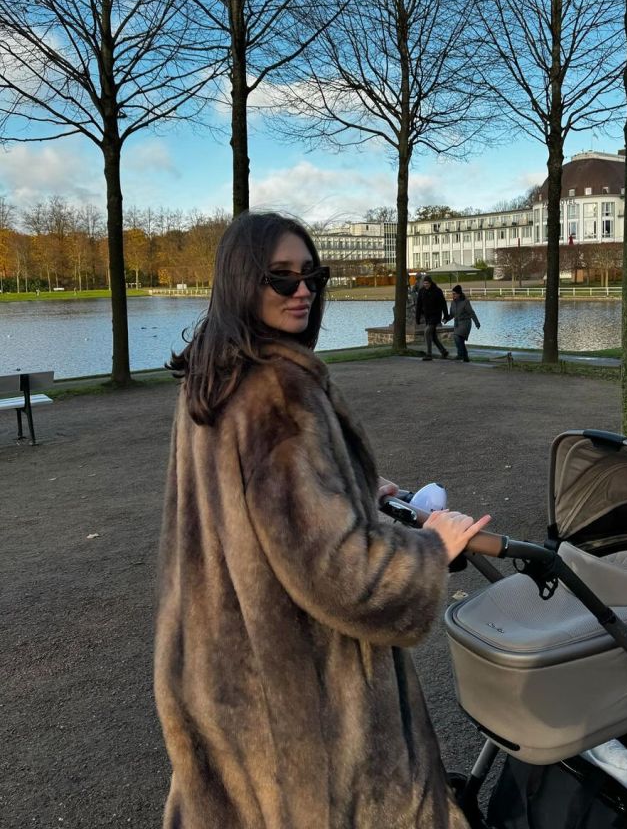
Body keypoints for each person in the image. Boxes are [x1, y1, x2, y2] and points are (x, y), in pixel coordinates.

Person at [155, 211, 491, 829]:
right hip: (299, 689)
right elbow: (339, 572)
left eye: (311, 274)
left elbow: (259, 512)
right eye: (281, 278)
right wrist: (430, 549)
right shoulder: (279, 392)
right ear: (241, 282)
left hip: (222, 670)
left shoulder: (212, 376)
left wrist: (356, 491)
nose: (302, 289)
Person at [415, 274, 450, 360]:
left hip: (435, 315)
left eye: (427, 283)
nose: (426, 285)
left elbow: (443, 303)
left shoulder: (437, 291)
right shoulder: (421, 291)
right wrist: (417, 317)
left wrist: (446, 315)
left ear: (430, 283)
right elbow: (419, 305)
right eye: (424, 283)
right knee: (433, 336)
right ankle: (443, 351)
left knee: (427, 331)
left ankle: (429, 354)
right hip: (427, 316)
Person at [447, 285, 481, 363]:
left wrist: (477, 322)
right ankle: (465, 357)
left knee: (456, 337)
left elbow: (471, 313)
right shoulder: (452, 303)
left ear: (459, 294)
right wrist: (446, 319)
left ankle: (460, 354)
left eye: (454, 293)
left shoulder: (465, 302)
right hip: (457, 324)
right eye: (452, 294)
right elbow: (452, 314)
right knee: (460, 340)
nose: (453, 295)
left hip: (465, 323)